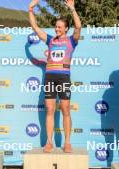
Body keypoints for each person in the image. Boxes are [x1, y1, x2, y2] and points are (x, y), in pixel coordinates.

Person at [28, 0, 81, 153]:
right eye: (56, 26)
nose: (56, 29)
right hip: (50, 78)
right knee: (50, 110)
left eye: (59, 27)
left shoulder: (72, 40)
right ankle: (49, 142)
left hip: (64, 78)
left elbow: (78, 27)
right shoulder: (51, 40)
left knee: (65, 110)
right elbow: (35, 28)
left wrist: (72, 9)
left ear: (66, 28)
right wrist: (31, 10)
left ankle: (68, 143)